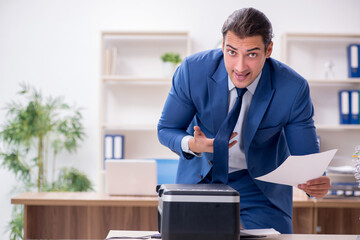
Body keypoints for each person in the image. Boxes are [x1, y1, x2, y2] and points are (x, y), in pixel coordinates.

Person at [157, 7, 330, 233]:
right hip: (201, 179)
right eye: (231, 52)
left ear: (268, 50)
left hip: (260, 184)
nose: (240, 67)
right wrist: (191, 144)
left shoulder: (292, 88)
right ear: (222, 46)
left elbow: (306, 158)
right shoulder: (193, 71)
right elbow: (167, 129)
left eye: (251, 54)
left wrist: (315, 182)